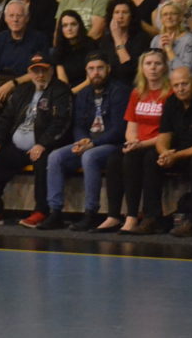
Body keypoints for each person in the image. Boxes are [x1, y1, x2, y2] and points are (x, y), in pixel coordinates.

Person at [0, 53, 72, 227]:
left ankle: (41, 211)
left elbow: (61, 122)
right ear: (29, 72)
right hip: (17, 147)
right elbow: (5, 119)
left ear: (51, 71)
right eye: (36, 71)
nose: (40, 75)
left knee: (44, 159)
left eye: (44, 70)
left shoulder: (61, 91)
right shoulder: (22, 90)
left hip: (44, 145)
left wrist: (42, 144)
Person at [44, 52, 129, 231]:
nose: (95, 72)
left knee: (89, 156)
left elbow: (119, 130)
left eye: (100, 68)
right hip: (89, 143)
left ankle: (91, 212)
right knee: (55, 157)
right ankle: (55, 212)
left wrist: (92, 144)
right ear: (86, 71)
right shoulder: (83, 94)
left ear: (108, 69)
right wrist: (81, 141)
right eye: (91, 69)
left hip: (112, 145)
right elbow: (78, 125)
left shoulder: (119, 91)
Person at [95, 50, 171, 233]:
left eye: (157, 64)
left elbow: (169, 131)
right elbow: (131, 126)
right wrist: (132, 142)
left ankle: (132, 217)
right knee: (114, 159)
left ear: (164, 67)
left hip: (158, 143)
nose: (153, 68)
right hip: (138, 142)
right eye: (148, 64)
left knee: (135, 159)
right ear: (142, 68)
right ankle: (113, 215)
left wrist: (140, 145)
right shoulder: (137, 93)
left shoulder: (170, 93)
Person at [147, 68, 192, 237]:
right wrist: (164, 153)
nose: (180, 89)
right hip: (176, 152)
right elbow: (164, 135)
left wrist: (176, 156)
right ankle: (152, 218)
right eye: (176, 85)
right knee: (150, 157)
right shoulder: (171, 101)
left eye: (184, 84)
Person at [0, 0, 49, 104]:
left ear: (27, 18)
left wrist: (12, 84)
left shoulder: (39, 39)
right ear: (5, 19)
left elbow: (39, 72)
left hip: (26, 85)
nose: (15, 19)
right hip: (0, 84)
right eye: (11, 16)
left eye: (19, 16)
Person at [97, 0, 151, 87]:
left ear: (131, 16)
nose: (120, 16)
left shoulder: (141, 38)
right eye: (117, 12)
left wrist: (117, 38)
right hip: (109, 87)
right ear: (111, 16)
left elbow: (128, 70)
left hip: (133, 85)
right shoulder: (106, 40)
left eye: (125, 12)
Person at [52, 10, 97, 94]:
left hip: (90, 90)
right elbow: (63, 83)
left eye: (73, 24)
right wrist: (69, 94)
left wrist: (71, 93)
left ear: (79, 25)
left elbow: (90, 79)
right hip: (68, 92)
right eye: (65, 25)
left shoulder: (91, 45)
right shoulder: (59, 50)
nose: (69, 28)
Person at [151, 0, 192, 70]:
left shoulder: (189, 39)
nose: (169, 17)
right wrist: (161, 52)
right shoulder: (156, 39)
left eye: (173, 14)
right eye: (165, 14)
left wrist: (169, 50)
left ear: (180, 17)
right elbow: (152, 68)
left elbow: (186, 70)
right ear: (161, 19)